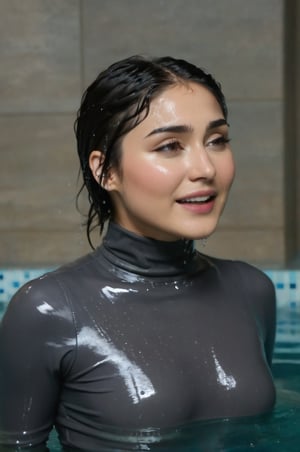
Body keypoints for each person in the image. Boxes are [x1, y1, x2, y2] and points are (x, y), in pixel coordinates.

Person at [0, 55, 276, 451]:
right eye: (169, 146)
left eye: (217, 140)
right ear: (105, 171)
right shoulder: (48, 311)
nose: (205, 168)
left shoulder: (253, 292)